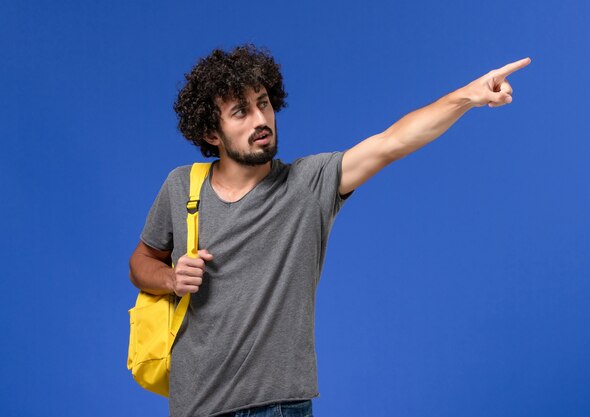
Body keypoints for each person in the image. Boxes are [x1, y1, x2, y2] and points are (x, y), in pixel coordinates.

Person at [129, 44, 530, 417]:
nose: (260, 120)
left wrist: (467, 96)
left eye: (264, 104)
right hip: (193, 406)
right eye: (240, 112)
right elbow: (141, 262)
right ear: (211, 133)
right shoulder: (182, 187)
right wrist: (170, 278)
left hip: (276, 406)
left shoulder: (308, 184)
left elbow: (391, 142)